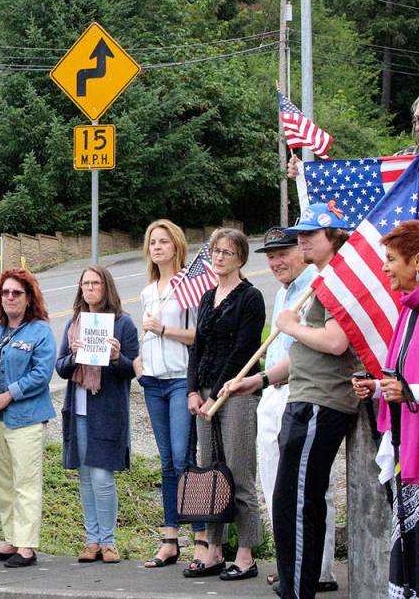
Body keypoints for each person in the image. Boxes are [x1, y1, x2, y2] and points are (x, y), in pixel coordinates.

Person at [224, 203, 358, 599]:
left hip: (321, 401)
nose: (301, 241)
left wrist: (292, 327)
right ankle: (297, 584)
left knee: (296, 502)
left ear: (332, 236)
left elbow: (336, 342)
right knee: (290, 500)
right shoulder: (321, 281)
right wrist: (260, 379)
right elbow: (302, 357)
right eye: (299, 234)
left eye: (309, 235)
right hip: (301, 394)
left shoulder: (334, 282)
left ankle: (299, 589)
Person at [351, 220, 419, 599]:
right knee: (414, 554)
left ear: (418, 260)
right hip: (411, 446)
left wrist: (410, 392)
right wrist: (379, 389)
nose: (385, 267)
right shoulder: (412, 308)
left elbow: (417, 385)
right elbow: (402, 376)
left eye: (391, 259)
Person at [253, 230, 339, 592]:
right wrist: (258, 381)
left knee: (307, 490)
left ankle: (316, 570)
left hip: (302, 391)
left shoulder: (318, 284)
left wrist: (291, 326)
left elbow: (315, 346)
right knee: (275, 485)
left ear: (302, 251)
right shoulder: (282, 292)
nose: (276, 262)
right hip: (274, 390)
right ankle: (289, 566)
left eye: (283, 252)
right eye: (270, 256)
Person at [185, 228, 265, 582]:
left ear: (241, 259)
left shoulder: (251, 297)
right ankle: (214, 549)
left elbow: (244, 349)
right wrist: (193, 391)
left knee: (238, 471)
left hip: (237, 394)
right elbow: (197, 347)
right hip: (205, 393)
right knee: (211, 473)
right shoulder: (206, 297)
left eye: (227, 253)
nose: (218, 258)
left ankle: (246, 553)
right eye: (215, 252)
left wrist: (218, 393)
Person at [131, 219, 207, 568]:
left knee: (183, 458)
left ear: (176, 246)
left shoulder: (189, 286)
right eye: (152, 242)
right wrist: (140, 368)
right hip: (154, 382)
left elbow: (199, 337)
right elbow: (143, 339)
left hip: (180, 379)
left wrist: (162, 328)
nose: (157, 247)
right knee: (165, 462)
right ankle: (170, 538)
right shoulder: (148, 291)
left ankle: (202, 538)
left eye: (163, 241)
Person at [54, 265, 138, 564]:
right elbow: (61, 367)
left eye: (95, 283)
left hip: (107, 408)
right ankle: (91, 540)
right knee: (86, 477)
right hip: (78, 408)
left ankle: (109, 541)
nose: (89, 288)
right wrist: (75, 356)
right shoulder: (73, 324)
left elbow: (132, 369)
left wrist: (116, 358)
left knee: (103, 476)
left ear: (107, 287)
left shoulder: (123, 324)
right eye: (85, 283)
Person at [0, 268, 56, 568]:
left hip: (26, 417)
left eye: (16, 293)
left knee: (26, 482)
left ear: (28, 298)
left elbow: (41, 373)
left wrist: (8, 395)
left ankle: (26, 546)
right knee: (4, 482)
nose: (10, 297)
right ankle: (9, 540)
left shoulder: (40, 331)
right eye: (5, 293)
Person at [288, 89, 419, 177]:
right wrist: (306, 173)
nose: (418, 127)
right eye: (415, 122)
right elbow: (361, 179)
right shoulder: (405, 158)